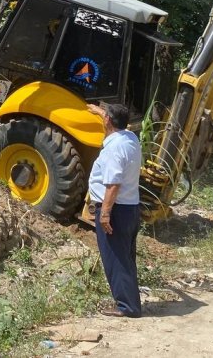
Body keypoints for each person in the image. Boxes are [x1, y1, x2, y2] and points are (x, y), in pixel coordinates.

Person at [87, 102, 143, 318]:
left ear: (108, 121)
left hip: (115, 211)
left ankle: (127, 307)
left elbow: (113, 184)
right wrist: (100, 112)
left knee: (116, 259)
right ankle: (130, 303)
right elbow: (120, 126)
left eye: (105, 116)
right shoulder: (130, 139)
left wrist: (105, 213)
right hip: (130, 209)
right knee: (125, 257)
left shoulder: (113, 148)